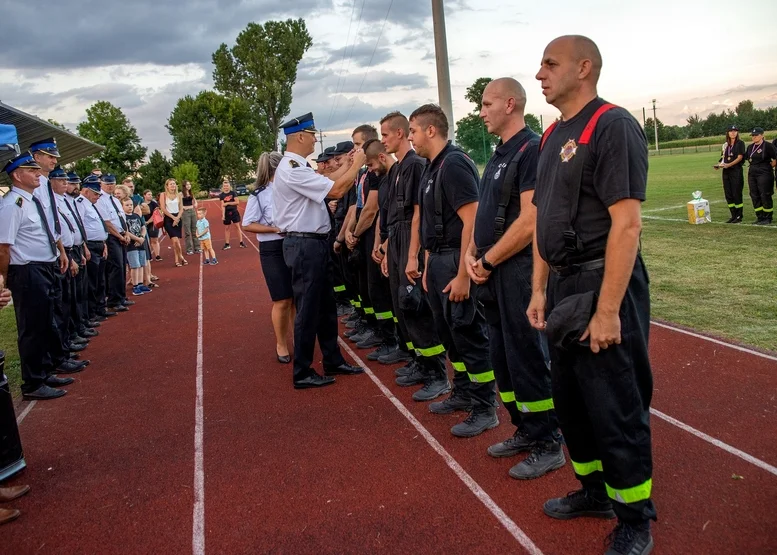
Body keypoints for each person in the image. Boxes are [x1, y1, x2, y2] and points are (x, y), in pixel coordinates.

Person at [530, 35, 656, 555]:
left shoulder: (612, 124)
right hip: (561, 285)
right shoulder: (550, 135)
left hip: (602, 283)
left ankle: (635, 520)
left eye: (549, 64)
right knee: (573, 402)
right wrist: (538, 287)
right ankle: (594, 492)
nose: (539, 73)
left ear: (584, 68)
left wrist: (607, 311)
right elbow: (542, 217)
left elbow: (627, 226)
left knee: (615, 405)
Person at [467, 77, 565, 477]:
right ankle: (524, 427)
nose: (481, 111)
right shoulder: (499, 153)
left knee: (528, 358)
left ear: (510, 104)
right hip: (492, 272)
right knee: (502, 358)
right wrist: (474, 252)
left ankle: (547, 440)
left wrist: (487, 260)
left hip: (518, 271)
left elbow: (530, 221)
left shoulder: (531, 149)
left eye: (487, 104)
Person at [410, 104, 498, 436]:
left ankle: (484, 406)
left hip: (456, 260)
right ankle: (462, 390)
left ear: (431, 130)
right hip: (439, 260)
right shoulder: (432, 167)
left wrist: (463, 273)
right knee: (450, 334)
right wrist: (429, 260)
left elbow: (472, 220)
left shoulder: (454, 164)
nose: (412, 138)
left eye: (414, 131)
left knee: (469, 333)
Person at [273, 112, 365, 389]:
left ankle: (333, 358)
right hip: (304, 245)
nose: (315, 139)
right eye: (312, 134)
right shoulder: (292, 168)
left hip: (313, 243)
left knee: (325, 307)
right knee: (309, 310)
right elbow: (335, 190)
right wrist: (357, 164)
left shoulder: (298, 167)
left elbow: (327, 177)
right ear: (300, 136)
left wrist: (347, 164)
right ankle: (302, 371)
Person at [0, 152, 86, 401]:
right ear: (17, 175)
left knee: (47, 322)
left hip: (43, 268)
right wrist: (3, 278)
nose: (38, 173)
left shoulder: (31, 201)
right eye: (31, 170)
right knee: (32, 327)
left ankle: (45, 370)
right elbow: (4, 247)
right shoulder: (11, 205)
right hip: (28, 272)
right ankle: (33, 382)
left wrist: (57, 253)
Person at [377, 112, 444, 378]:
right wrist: (387, 249)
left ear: (400, 133)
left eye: (384, 134)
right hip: (397, 238)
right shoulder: (398, 168)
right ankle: (419, 359)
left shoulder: (415, 165)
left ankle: (435, 372)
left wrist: (412, 254)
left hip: (409, 238)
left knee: (416, 304)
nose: (382, 141)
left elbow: (417, 213)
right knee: (401, 303)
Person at [242, 152, 294, 364]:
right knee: (282, 299)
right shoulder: (259, 194)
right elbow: (247, 224)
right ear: (276, 168)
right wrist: (274, 228)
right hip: (272, 248)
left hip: (293, 244)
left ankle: (300, 339)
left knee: (297, 298)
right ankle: (281, 343)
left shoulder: (290, 188)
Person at [76, 176, 113, 322]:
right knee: (91, 282)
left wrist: (103, 243)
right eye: (95, 193)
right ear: (86, 191)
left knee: (100, 280)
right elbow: (79, 227)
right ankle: (92, 313)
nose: (98, 196)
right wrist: (85, 247)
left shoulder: (91, 204)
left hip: (98, 244)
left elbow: (98, 226)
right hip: (89, 245)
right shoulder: (80, 203)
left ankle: (100, 308)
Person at [97, 174, 131, 312]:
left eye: (112, 183)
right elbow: (107, 223)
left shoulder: (115, 200)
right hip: (112, 237)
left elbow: (121, 218)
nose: (110, 186)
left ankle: (121, 296)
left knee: (122, 266)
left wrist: (126, 233)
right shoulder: (100, 200)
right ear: (101, 184)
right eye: (107, 184)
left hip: (122, 235)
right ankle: (114, 299)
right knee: (115, 268)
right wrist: (119, 236)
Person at [714, 125, 746, 223]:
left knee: (736, 193)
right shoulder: (725, 145)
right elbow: (723, 158)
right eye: (731, 131)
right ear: (727, 133)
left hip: (735, 170)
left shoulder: (740, 143)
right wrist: (719, 165)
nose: (733, 133)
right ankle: (733, 215)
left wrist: (729, 165)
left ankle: (739, 216)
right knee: (728, 194)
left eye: (735, 131)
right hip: (726, 172)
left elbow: (740, 157)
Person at [745, 127, 776, 225]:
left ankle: (768, 217)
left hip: (764, 172)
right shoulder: (750, 147)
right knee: (754, 194)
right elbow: (746, 157)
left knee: (765, 194)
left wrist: (769, 166)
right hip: (752, 172)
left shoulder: (768, 146)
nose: (754, 137)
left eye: (756, 135)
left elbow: (776, 157)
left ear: (762, 135)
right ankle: (760, 216)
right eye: (753, 135)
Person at [123, 198, 149, 296]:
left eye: (131, 205)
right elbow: (126, 231)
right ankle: (135, 285)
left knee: (142, 264)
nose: (130, 207)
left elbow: (143, 227)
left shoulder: (136, 216)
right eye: (127, 205)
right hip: (131, 245)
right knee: (135, 265)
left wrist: (141, 237)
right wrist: (137, 239)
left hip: (140, 243)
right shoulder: (123, 217)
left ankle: (140, 283)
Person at [159, 179, 187, 266]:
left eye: (174, 184)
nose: (173, 185)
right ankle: (181, 257)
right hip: (168, 219)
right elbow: (163, 208)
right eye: (171, 184)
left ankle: (177, 261)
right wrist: (173, 218)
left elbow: (181, 208)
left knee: (177, 241)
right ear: (167, 186)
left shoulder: (179, 195)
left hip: (178, 218)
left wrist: (177, 218)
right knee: (175, 241)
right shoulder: (163, 195)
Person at [219, 181, 246, 249]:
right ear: (223, 187)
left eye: (227, 186)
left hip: (234, 212)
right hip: (226, 213)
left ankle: (241, 242)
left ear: (229, 186)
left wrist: (228, 203)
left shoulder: (233, 193)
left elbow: (237, 202)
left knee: (237, 226)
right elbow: (222, 205)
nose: (226, 187)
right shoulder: (221, 195)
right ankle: (227, 244)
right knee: (227, 228)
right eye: (224, 186)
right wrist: (223, 215)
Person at [181, 180, 200, 255]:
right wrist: (183, 207)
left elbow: (195, 201)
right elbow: (179, 203)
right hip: (185, 213)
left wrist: (195, 203)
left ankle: (197, 247)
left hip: (192, 212)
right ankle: (189, 249)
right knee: (187, 232)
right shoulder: (181, 194)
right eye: (187, 184)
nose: (189, 186)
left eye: (189, 184)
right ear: (184, 186)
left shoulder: (191, 193)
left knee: (194, 230)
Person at [143, 189, 162, 261]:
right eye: (149, 194)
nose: (150, 196)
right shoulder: (141, 203)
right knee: (146, 241)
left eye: (151, 194)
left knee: (154, 239)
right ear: (144, 195)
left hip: (153, 224)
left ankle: (157, 255)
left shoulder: (154, 204)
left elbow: (155, 214)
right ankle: (148, 256)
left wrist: (148, 222)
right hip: (143, 224)